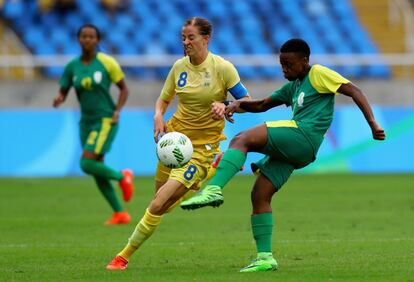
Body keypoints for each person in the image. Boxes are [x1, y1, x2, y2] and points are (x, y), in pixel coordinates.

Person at [180, 38, 386, 272]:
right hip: (300, 152)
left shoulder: (318, 74)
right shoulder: (293, 87)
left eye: (289, 64)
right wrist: (233, 104)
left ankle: (213, 189)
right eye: (282, 64)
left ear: (305, 61)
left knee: (241, 139)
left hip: (303, 135)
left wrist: (372, 123)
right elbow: (262, 105)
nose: (284, 69)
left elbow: (353, 90)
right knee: (260, 195)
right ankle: (265, 257)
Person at [106, 17, 251, 270]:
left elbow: (247, 100)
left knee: (158, 203)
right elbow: (163, 99)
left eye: (191, 37)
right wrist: (158, 116)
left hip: (200, 149)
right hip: (173, 142)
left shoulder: (222, 68)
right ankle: (212, 170)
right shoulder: (178, 67)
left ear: (206, 38)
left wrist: (226, 105)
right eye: (183, 38)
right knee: (162, 203)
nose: (186, 42)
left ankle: (123, 256)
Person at [53, 23, 134, 225]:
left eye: (91, 37)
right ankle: (120, 213)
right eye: (83, 36)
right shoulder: (72, 66)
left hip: (105, 119)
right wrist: (59, 97)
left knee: (86, 163)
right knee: (96, 167)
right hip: (85, 122)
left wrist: (117, 110)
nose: (87, 40)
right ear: (78, 39)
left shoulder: (107, 62)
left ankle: (122, 176)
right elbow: (64, 88)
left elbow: (124, 89)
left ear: (97, 40)